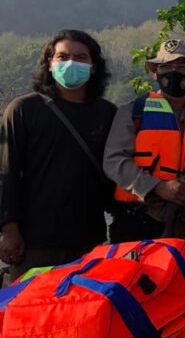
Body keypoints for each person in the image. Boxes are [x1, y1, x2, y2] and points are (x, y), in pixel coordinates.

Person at [104, 39, 185, 276]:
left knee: (179, 297)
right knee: (131, 294)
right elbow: (113, 161)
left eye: (183, 67)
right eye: (166, 66)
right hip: (136, 219)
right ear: (155, 73)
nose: (174, 72)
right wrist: (157, 187)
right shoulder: (133, 110)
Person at [0, 30, 117, 279]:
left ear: (93, 67)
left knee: (81, 314)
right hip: (34, 242)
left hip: (89, 241)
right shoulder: (23, 110)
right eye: (62, 56)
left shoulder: (107, 114)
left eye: (80, 57)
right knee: (29, 314)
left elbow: (114, 174)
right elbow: (5, 173)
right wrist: (8, 229)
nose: (70, 62)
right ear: (50, 65)